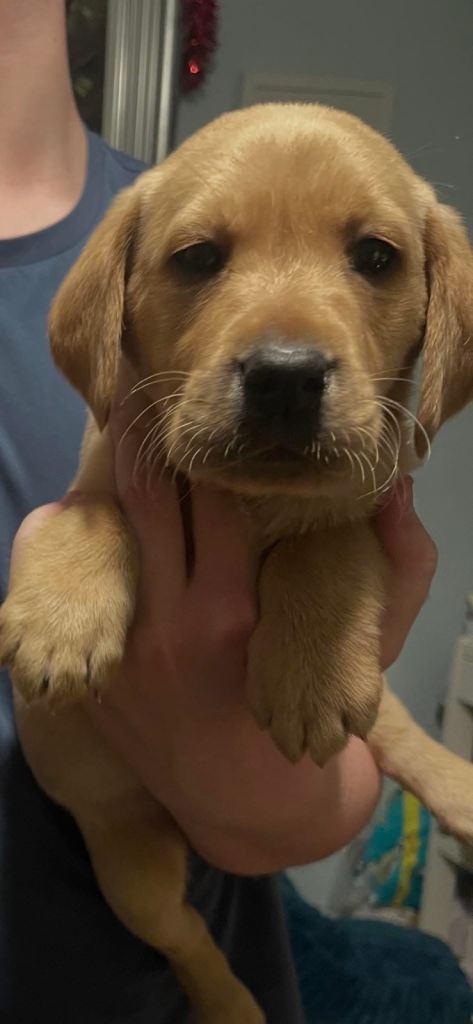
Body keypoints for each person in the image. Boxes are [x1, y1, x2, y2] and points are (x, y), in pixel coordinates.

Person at [0, 2, 438, 1021]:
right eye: (202, 261)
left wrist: (264, 791)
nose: (284, 353)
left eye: (370, 257)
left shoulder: (150, 208)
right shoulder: (124, 258)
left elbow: (302, 800)